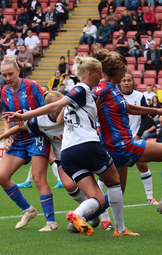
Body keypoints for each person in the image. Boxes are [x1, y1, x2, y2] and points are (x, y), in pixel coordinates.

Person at [6, 55, 139, 237]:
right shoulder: (81, 89)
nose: (101, 77)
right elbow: (55, 107)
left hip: (68, 154)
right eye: (99, 73)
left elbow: (60, 114)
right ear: (89, 74)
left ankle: (77, 215)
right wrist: (24, 116)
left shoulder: (82, 94)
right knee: (115, 181)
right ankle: (121, 229)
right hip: (87, 145)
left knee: (97, 198)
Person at [88, 49, 162, 224]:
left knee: (118, 191)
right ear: (115, 71)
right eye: (123, 71)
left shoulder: (112, 89)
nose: (125, 74)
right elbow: (80, 102)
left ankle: (82, 217)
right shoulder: (101, 89)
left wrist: (155, 110)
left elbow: (128, 108)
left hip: (116, 147)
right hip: (122, 145)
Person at [0, 56, 57, 232]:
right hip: (18, 138)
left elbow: (45, 111)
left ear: (18, 71)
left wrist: (27, 122)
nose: (8, 78)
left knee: (39, 178)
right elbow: (7, 115)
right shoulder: (4, 91)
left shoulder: (31, 86)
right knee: (2, 176)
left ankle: (51, 222)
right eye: (4, 75)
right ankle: (28, 210)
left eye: (11, 74)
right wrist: (8, 135)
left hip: (36, 136)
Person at [118, 71, 160, 204]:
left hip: (135, 138)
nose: (126, 82)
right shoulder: (115, 96)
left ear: (133, 82)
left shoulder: (140, 96)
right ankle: (101, 200)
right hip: (117, 140)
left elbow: (144, 118)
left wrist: (138, 135)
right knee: (111, 169)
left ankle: (150, 197)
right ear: (120, 82)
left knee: (142, 165)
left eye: (129, 80)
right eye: (124, 80)